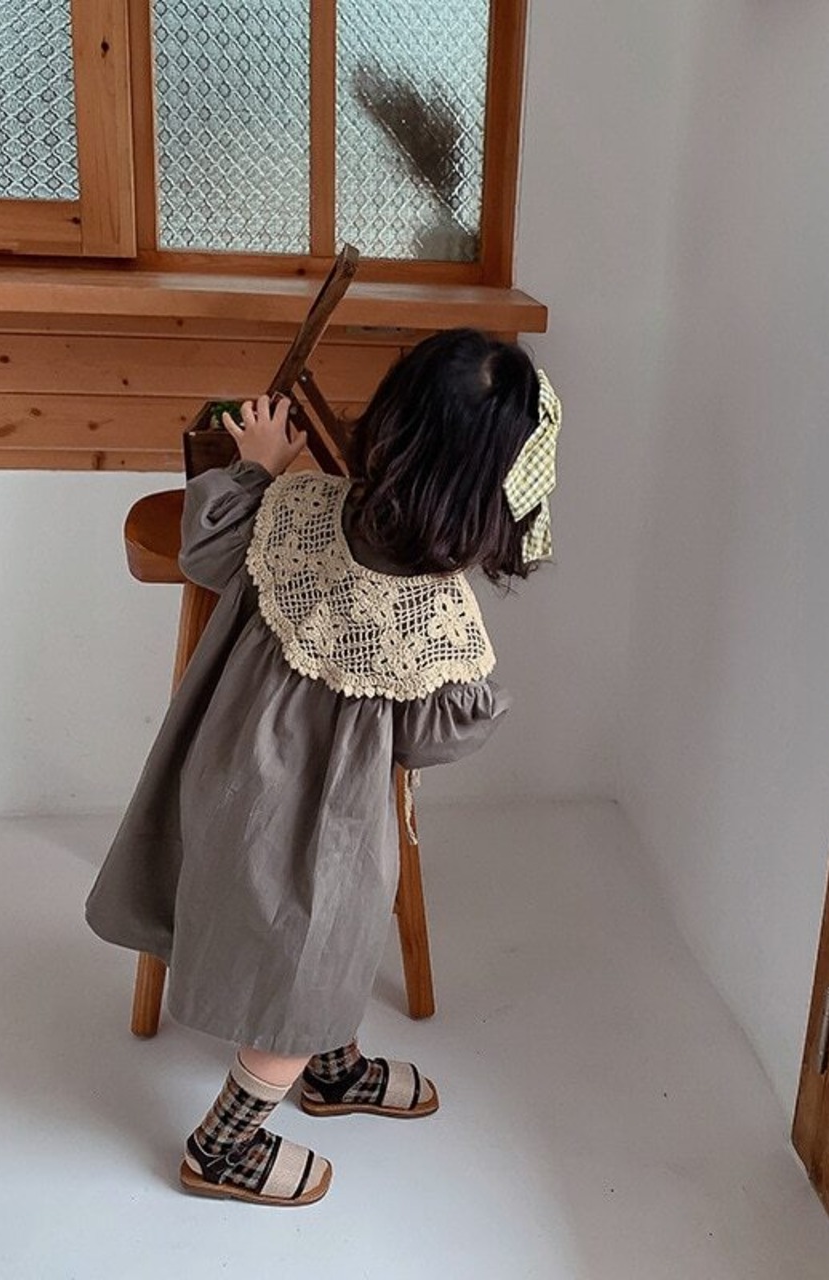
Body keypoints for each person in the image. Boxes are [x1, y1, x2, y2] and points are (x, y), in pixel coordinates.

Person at [85, 328, 561, 1207]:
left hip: (221, 780)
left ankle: (334, 1070)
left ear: (391, 419)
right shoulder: (437, 611)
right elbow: (429, 739)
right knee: (309, 967)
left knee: (327, 959)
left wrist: (258, 466)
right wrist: (474, 693)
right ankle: (225, 1145)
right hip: (315, 832)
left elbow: (204, 550)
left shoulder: (298, 507)